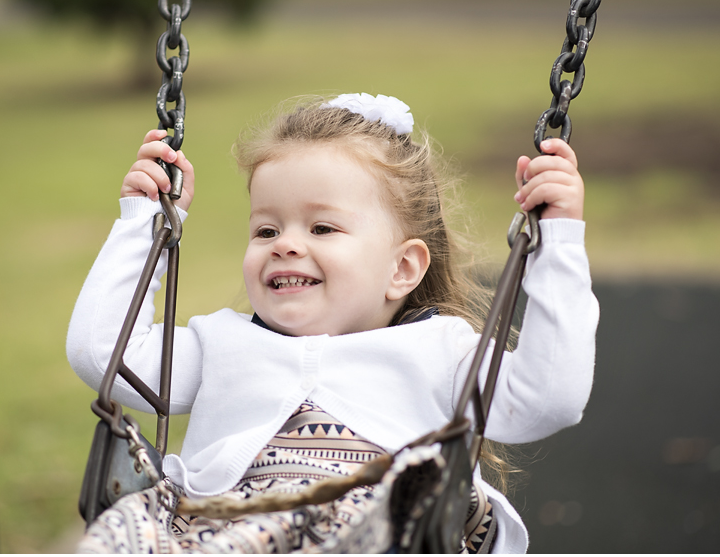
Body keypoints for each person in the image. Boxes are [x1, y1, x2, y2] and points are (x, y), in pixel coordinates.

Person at [67, 94, 598, 553]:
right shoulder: (221, 346)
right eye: (266, 229)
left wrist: (559, 244)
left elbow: (550, 397)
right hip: (229, 532)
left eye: (322, 227)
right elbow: (101, 354)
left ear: (403, 268)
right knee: (127, 528)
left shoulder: (443, 352)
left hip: (379, 530)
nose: (287, 244)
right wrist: (147, 225)